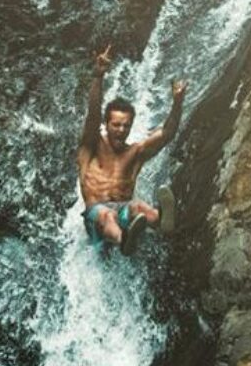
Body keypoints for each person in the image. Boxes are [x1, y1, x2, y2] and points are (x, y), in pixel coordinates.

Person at [76, 44, 186, 255]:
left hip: (123, 214)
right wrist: (98, 76)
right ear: (106, 124)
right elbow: (92, 114)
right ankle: (123, 240)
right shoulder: (91, 146)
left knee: (140, 208)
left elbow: (167, 133)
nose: (121, 130)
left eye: (126, 125)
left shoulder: (135, 153)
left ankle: (162, 221)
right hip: (97, 220)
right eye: (116, 125)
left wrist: (178, 103)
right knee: (108, 216)